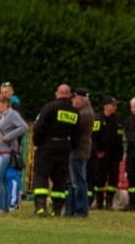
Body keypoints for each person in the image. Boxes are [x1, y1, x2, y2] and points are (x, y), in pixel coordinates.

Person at [32, 84, 82, 217]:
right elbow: (77, 134)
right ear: (70, 95)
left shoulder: (50, 107)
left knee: (41, 176)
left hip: (47, 146)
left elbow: (39, 127)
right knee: (60, 179)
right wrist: (71, 146)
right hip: (64, 147)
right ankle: (57, 210)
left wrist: (37, 142)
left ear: (57, 93)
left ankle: (41, 208)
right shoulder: (74, 111)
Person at [0, 94, 28, 214]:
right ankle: (4, 206)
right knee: (1, 179)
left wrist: (9, 136)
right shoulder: (0, 116)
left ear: (5, 103)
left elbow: (24, 127)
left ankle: (0, 207)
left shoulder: (12, 114)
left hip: (5, 151)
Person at [91, 96, 124, 210]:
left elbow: (120, 138)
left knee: (113, 179)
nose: (115, 107)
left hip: (114, 155)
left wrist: (120, 153)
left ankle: (109, 202)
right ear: (106, 106)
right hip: (102, 154)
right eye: (113, 105)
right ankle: (99, 202)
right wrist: (99, 150)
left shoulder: (118, 119)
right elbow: (94, 136)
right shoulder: (97, 118)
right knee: (99, 178)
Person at [65, 87, 94, 218]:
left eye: (74, 98)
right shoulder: (83, 111)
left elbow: (72, 128)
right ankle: (71, 209)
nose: (72, 100)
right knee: (72, 182)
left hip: (78, 150)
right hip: (77, 150)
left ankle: (81, 210)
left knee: (78, 182)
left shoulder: (84, 114)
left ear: (80, 100)